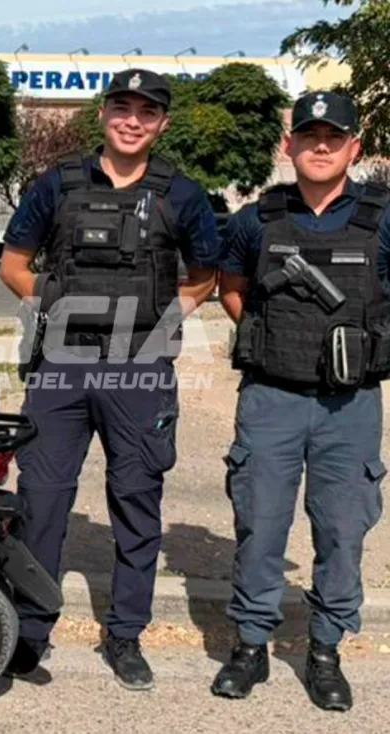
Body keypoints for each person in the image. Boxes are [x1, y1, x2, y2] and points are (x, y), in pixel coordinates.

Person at [0, 68, 223, 688]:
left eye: (145, 112)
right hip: (60, 370)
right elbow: (13, 265)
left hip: (139, 371)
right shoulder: (58, 184)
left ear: (161, 124)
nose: (132, 119)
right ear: (103, 114)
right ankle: (31, 629)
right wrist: (55, 303)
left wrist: (157, 322)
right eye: (121, 107)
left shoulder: (184, 194)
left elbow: (205, 275)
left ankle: (125, 636)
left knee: (135, 502)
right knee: (41, 501)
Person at [212, 90, 390, 712]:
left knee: (342, 530)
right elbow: (230, 288)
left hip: (351, 405)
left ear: (353, 147)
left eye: (333, 137)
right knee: (260, 524)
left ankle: (324, 651)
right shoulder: (256, 218)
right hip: (271, 398)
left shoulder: (383, 217)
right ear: (288, 144)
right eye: (308, 135)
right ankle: (251, 646)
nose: (319, 146)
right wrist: (272, 341)